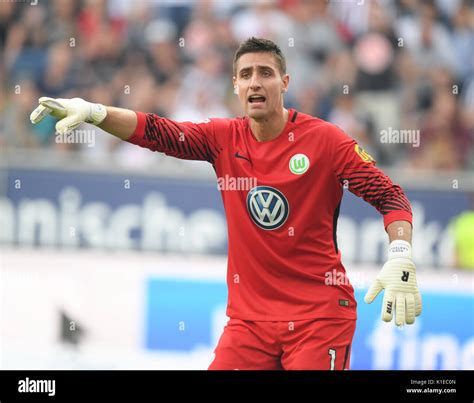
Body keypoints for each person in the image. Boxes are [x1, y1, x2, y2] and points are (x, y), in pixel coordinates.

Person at [30, 37, 421, 370]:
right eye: (246, 74)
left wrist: (400, 252)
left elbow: (390, 195)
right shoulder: (223, 138)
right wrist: (97, 113)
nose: (256, 82)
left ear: (284, 82)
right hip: (249, 323)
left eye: (266, 73)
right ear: (235, 85)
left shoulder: (326, 141)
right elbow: (159, 132)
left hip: (319, 317)